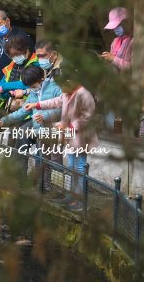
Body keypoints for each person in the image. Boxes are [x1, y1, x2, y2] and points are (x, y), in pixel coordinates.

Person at [27, 64, 99, 210]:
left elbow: (87, 118)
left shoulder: (84, 95)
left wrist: (68, 126)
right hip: (71, 137)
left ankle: (80, 202)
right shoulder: (67, 93)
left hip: (81, 137)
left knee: (79, 167)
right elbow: (56, 101)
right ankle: (72, 196)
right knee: (71, 166)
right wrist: (37, 104)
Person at [0, 10, 34, 95]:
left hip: (17, 88)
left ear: (7, 21)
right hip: (1, 86)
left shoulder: (20, 38)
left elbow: (29, 65)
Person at [0, 34, 40, 101]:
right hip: (11, 105)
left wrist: (5, 87)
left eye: (18, 54)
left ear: (26, 50)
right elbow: (0, 84)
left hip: (30, 104)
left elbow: (29, 83)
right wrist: (6, 93)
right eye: (12, 55)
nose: (15, 57)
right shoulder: (11, 65)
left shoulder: (37, 63)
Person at [101, 7, 133, 71]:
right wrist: (107, 58)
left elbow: (132, 68)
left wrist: (113, 59)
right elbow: (112, 62)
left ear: (126, 23)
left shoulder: (133, 41)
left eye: (118, 26)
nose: (115, 29)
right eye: (114, 27)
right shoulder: (115, 41)